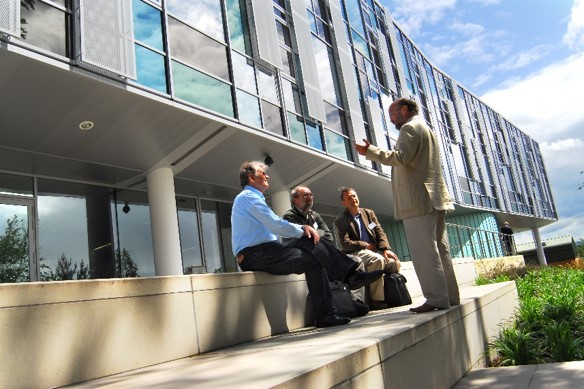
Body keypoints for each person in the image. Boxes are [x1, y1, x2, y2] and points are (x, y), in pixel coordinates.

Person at [231, 161, 384, 327]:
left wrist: (305, 231)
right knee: (308, 239)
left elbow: (322, 235)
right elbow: (275, 225)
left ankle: (326, 314)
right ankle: (350, 276)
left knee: (314, 258)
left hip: (267, 251)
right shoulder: (248, 197)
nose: (267, 176)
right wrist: (304, 229)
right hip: (253, 254)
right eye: (262, 173)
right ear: (251, 178)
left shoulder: (254, 198)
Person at [354, 97, 460, 313]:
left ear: (404, 110)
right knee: (440, 250)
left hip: (417, 200)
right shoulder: (425, 128)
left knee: (424, 253)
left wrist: (371, 152)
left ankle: (436, 299)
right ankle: (450, 297)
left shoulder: (409, 129)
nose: (391, 118)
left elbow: (401, 158)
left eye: (392, 113)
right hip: (434, 198)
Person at [334, 187, 401, 310]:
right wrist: (365, 245)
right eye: (349, 197)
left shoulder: (368, 214)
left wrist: (386, 249)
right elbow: (345, 243)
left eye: (354, 196)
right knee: (377, 260)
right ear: (344, 203)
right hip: (356, 252)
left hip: (375, 250)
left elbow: (379, 231)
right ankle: (376, 300)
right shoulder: (341, 220)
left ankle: (392, 293)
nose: (353, 199)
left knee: (394, 263)